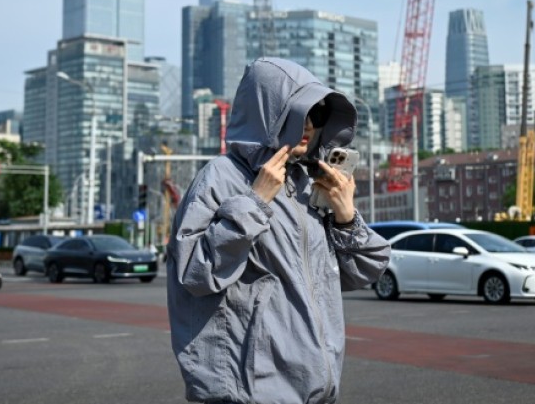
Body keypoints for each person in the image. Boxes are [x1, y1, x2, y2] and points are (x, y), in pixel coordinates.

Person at [166, 58, 391, 404]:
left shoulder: (305, 183)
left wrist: (345, 216)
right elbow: (193, 274)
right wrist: (255, 202)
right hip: (249, 391)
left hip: (317, 390)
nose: (310, 125)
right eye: (299, 112)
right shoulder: (221, 176)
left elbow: (362, 273)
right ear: (267, 114)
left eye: (317, 114)